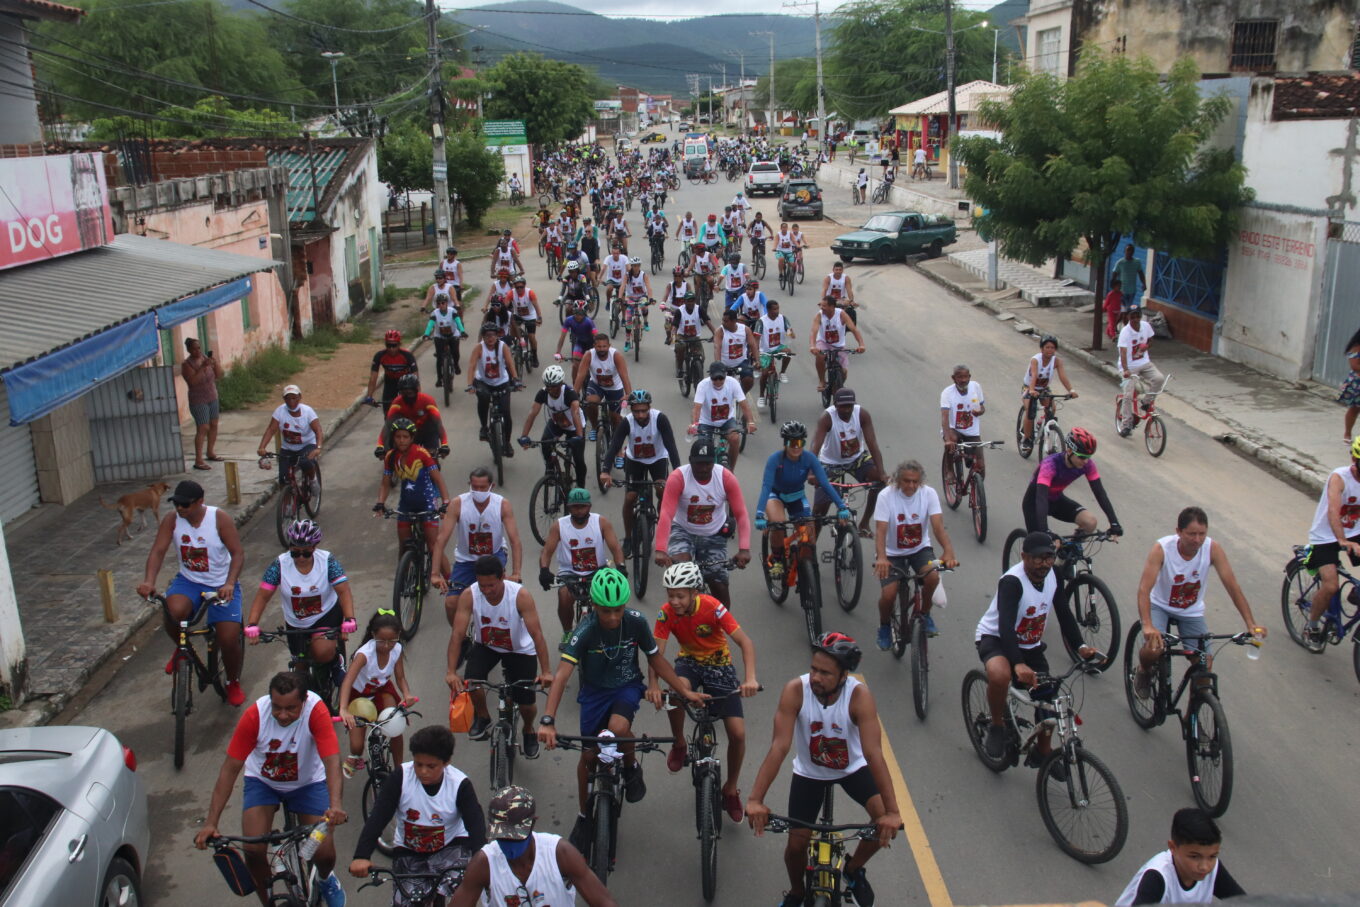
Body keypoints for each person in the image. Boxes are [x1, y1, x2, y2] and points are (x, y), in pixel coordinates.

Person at [536, 568, 706, 852]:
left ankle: (630, 766)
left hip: (626, 687)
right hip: (594, 693)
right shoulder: (585, 630)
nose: (613, 617)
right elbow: (563, 675)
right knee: (589, 757)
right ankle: (583, 815)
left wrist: (684, 690)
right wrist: (547, 719)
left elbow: (656, 659)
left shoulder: (636, 621)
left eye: (618, 610)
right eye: (606, 611)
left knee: (617, 728)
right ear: (594, 606)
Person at [746, 633, 902, 907]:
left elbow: (873, 754)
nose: (815, 677)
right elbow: (779, 747)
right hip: (809, 773)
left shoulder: (859, 696)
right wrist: (755, 799)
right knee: (796, 847)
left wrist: (892, 812)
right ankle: (797, 892)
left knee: (883, 824)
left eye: (825, 673)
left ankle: (853, 869)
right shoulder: (795, 690)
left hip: (851, 770)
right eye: (813, 669)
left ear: (844, 676)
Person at [193, 671, 348, 907]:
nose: (282, 715)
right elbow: (229, 769)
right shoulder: (255, 715)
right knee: (253, 849)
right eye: (277, 707)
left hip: (307, 784)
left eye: (291, 708)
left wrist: (335, 806)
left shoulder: (316, 710)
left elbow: (332, 761)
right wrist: (211, 823)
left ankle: (326, 879)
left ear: (304, 701)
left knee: (324, 853)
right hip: (264, 783)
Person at [975, 532, 1103, 762]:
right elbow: (1005, 627)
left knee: (1049, 698)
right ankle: (997, 725)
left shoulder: (1054, 575)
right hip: (997, 638)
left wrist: (1081, 646)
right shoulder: (1012, 582)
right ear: (1024, 556)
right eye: (1038, 558)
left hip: (1029, 644)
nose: (1044, 563)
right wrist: (1018, 664)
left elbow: (1064, 612)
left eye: (1049, 557)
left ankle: (1043, 752)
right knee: (1000, 675)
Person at [649, 561, 759, 821]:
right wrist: (653, 685)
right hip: (689, 663)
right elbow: (656, 654)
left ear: (695, 592)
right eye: (670, 595)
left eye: (680, 596)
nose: (674, 601)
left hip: (719, 666)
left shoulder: (713, 607)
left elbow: (745, 642)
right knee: (675, 692)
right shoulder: (666, 614)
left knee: (738, 734)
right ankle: (679, 742)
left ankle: (730, 789)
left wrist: (750, 679)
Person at [1132, 506, 1266, 697]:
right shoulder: (1162, 549)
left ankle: (1195, 711)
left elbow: (1233, 587)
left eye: (1202, 534)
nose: (1197, 540)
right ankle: (1144, 670)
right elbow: (1144, 590)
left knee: (1204, 665)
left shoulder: (1212, 549)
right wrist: (1147, 625)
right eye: (1191, 534)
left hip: (1191, 612)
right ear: (1178, 532)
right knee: (1154, 648)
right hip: (1160, 606)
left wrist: (1251, 623)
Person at [350, 725, 485, 907]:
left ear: (446, 762)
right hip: (410, 850)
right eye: (418, 764)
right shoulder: (400, 778)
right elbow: (379, 816)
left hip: (451, 846)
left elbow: (475, 824)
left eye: (431, 766)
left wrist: (481, 858)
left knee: (465, 896)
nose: (423, 771)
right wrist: (361, 855)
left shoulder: (459, 784)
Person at [138, 479, 246, 706]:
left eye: (185, 504)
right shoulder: (172, 520)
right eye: (176, 503)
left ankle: (232, 681)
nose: (180, 508)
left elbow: (237, 553)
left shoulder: (219, 518)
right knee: (171, 612)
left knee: (228, 638)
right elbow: (158, 551)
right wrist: (149, 581)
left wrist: (229, 583)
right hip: (189, 582)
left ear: (200, 502)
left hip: (221, 583)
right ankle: (182, 648)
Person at [447, 555, 555, 754]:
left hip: (519, 650)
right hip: (487, 646)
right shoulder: (469, 595)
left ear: (503, 577)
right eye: (482, 585)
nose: (487, 591)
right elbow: (457, 634)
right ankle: (483, 716)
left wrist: (546, 671)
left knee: (526, 703)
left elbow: (537, 635)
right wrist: (451, 671)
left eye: (491, 585)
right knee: (472, 682)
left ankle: (528, 729)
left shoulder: (520, 596)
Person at [450, 785, 618, 907]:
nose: (508, 842)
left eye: (515, 836)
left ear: (532, 824)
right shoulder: (483, 864)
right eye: (502, 836)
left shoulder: (560, 854)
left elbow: (604, 902)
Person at [244, 518, 355, 686]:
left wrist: (349, 618)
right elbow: (262, 596)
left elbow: (343, 591)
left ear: (314, 547)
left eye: (306, 553)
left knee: (321, 652)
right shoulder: (279, 564)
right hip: (296, 622)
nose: (300, 557)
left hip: (325, 615)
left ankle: (335, 662)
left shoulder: (327, 561)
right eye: (295, 553)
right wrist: (252, 624)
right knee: (299, 671)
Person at [654, 438, 753, 609]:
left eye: (708, 463)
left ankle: (720, 623)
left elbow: (741, 514)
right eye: (698, 464)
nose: (703, 468)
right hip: (683, 530)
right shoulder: (678, 477)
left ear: (714, 462)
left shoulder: (726, 478)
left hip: (714, 534)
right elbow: (666, 514)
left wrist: (744, 549)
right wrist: (661, 550)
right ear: (690, 461)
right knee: (681, 575)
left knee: (719, 586)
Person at [871, 460, 959, 646]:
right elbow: (880, 531)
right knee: (889, 594)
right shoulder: (886, 496)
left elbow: (938, 527)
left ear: (921, 481)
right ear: (897, 480)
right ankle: (885, 626)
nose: (911, 485)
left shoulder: (929, 494)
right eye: (906, 481)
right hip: (891, 554)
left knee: (932, 578)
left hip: (920, 550)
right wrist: (882, 558)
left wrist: (948, 551)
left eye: (915, 482)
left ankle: (925, 614)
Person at [756, 420, 852, 573]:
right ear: (785, 443)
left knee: (808, 536)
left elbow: (825, 484)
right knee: (778, 523)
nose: (796, 447)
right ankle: (778, 559)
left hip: (797, 496)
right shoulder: (774, 459)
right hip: (776, 495)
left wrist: (841, 506)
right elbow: (766, 487)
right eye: (792, 442)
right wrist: (760, 514)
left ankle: (804, 566)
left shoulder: (809, 458)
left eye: (800, 442)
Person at [600, 389, 682, 549]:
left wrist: (679, 472)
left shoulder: (660, 419)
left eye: (644, 411)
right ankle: (628, 537)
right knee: (630, 498)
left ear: (650, 407)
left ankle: (664, 526)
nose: (641, 415)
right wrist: (605, 470)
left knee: (661, 490)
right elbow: (615, 445)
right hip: (634, 460)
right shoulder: (627, 422)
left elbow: (671, 446)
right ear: (631, 409)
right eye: (636, 411)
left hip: (657, 459)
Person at [538, 487, 626, 635]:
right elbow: (546, 551)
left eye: (583, 506)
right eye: (575, 507)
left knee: (611, 595)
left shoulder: (601, 522)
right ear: (569, 507)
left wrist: (621, 567)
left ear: (589, 506)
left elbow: (616, 548)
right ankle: (567, 633)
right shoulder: (559, 526)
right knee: (564, 596)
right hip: (569, 572)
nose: (579, 511)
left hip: (597, 571)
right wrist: (544, 570)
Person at [1115, 807, 1246, 905]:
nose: (1205, 867)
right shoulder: (1156, 878)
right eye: (1194, 857)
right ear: (1173, 847)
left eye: (1212, 856)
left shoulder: (1213, 869)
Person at [337, 610, 413, 777]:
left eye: (391, 641)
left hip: (382, 691)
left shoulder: (397, 649)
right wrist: (343, 709)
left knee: (395, 724)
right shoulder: (364, 655)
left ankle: (399, 771)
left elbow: (400, 677)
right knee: (357, 746)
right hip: (358, 696)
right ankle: (356, 756)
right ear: (373, 635)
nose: (386, 646)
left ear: (398, 636)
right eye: (381, 641)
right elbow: (347, 682)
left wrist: (407, 694)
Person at [1301, 437, 1360, 650]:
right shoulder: (1339, 477)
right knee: (1331, 585)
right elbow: (1333, 511)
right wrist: (1342, 540)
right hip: (1325, 536)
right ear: (1354, 459)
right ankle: (1312, 626)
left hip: (1355, 532)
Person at [811, 388, 886, 538]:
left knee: (878, 481)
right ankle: (810, 544)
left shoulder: (862, 414)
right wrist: (811, 473)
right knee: (820, 509)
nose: (846, 410)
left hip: (856, 459)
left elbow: (872, 444)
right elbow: (815, 446)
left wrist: (882, 473)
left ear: (854, 404)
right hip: (830, 463)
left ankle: (864, 524)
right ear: (835, 405)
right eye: (842, 406)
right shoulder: (827, 418)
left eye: (849, 406)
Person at [1023, 427, 1123, 536]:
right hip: (1035, 504)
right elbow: (1041, 497)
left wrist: (1114, 523)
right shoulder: (1050, 464)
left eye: (1088, 457)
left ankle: (1073, 545)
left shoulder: (1087, 465)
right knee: (1041, 543)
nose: (1086, 461)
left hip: (1056, 501)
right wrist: (1045, 531)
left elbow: (1100, 493)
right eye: (1082, 457)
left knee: (1090, 523)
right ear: (1069, 450)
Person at [374, 418, 452, 557]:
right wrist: (380, 503)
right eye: (398, 437)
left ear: (412, 438)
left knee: (434, 548)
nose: (401, 440)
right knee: (403, 548)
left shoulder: (422, 453)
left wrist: (446, 502)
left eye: (405, 437)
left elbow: (438, 479)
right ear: (393, 438)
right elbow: (385, 483)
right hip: (406, 505)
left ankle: (448, 572)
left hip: (427, 504)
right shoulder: (390, 456)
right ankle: (404, 570)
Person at [518, 364, 588, 488]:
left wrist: (579, 436)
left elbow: (575, 413)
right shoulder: (543, 393)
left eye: (554, 386)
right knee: (545, 442)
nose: (550, 389)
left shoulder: (569, 394)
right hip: (557, 424)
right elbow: (532, 414)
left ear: (561, 384)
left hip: (574, 426)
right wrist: (524, 436)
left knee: (579, 460)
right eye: (548, 386)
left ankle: (581, 487)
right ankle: (550, 468)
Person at [690, 360, 757, 471]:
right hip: (706, 422)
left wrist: (750, 422)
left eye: (721, 378)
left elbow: (744, 405)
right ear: (710, 376)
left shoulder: (733, 383)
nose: (718, 381)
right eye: (714, 378)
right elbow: (697, 408)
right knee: (703, 449)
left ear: (726, 375)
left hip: (726, 421)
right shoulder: (702, 385)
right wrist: (694, 425)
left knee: (735, 438)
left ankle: (731, 472)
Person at [1019, 335, 1078, 456]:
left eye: (1052, 348)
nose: (1050, 350)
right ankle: (1026, 439)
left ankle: (1041, 423)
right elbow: (1034, 375)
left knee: (1052, 409)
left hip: (1044, 389)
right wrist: (1031, 390)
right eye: (1047, 347)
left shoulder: (1057, 361)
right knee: (1030, 410)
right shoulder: (1036, 360)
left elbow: (1063, 377)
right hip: (1029, 387)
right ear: (1041, 349)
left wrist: (1071, 390)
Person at [466, 323, 521, 450]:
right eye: (487, 336)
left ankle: (507, 442)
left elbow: (510, 363)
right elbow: (472, 366)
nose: (490, 338)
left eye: (493, 335)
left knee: (506, 412)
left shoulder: (503, 346)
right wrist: (470, 385)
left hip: (502, 382)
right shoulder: (479, 348)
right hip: (483, 382)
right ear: (483, 337)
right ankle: (484, 428)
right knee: (483, 398)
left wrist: (515, 379)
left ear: (497, 336)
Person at [258, 384, 324, 489]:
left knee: (306, 462)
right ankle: (287, 498)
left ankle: (313, 480)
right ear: (284, 399)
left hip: (307, 445)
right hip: (288, 448)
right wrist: (262, 447)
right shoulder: (279, 411)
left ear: (300, 397)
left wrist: (318, 448)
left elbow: (318, 430)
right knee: (283, 479)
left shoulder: (307, 411)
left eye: (294, 398)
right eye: (288, 398)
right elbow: (271, 430)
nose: (291, 401)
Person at [573, 331, 632, 442]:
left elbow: (624, 376)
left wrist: (629, 395)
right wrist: (574, 394)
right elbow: (581, 375)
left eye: (604, 346)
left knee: (616, 420)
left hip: (615, 388)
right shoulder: (589, 355)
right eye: (599, 346)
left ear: (609, 346)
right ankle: (594, 427)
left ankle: (616, 443)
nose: (602, 349)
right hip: (596, 385)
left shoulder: (616, 356)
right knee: (590, 402)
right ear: (594, 346)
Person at [1117, 305, 1166, 436]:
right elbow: (1123, 352)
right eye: (1132, 316)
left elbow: (1151, 340)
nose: (1135, 319)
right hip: (1129, 367)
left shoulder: (1146, 326)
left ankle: (1146, 402)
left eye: (1137, 316)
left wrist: (1146, 346)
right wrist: (1126, 370)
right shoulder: (1125, 332)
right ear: (1128, 317)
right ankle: (1126, 425)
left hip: (1144, 363)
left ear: (1140, 316)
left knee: (1159, 379)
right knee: (1128, 395)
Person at [376, 374, 446, 459]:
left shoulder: (428, 401)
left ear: (416, 391)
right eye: (403, 394)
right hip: (409, 434)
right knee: (396, 455)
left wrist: (444, 444)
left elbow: (438, 424)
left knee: (431, 456)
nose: (407, 396)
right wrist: (380, 446)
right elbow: (387, 426)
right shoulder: (396, 403)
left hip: (428, 432)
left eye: (410, 393)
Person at [810, 296, 866, 393]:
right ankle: (822, 381)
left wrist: (861, 345)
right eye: (821, 305)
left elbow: (854, 330)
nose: (821, 308)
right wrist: (813, 346)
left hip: (839, 345)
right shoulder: (819, 315)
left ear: (832, 307)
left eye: (824, 306)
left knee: (844, 372)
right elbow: (813, 332)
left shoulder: (841, 314)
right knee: (820, 356)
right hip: (823, 342)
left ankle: (837, 386)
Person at [940, 364, 987, 477]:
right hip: (954, 429)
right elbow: (945, 417)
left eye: (966, 377)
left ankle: (976, 485)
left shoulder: (976, 387)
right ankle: (949, 469)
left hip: (972, 432)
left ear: (969, 376)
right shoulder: (947, 393)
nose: (963, 380)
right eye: (960, 377)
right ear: (953, 378)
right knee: (952, 442)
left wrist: (980, 411)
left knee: (980, 466)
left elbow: (982, 407)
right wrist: (947, 439)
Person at [182, 337, 221, 470]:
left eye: (198, 348)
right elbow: (193, 382)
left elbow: (218, 375)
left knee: (214, 424)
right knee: (203, 427)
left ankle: (210, 452)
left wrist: (215, 363)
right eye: (194, 349)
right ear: (188, 350)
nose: (197, 351)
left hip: (212, 396)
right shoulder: (187, 365)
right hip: (198, 400)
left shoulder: (205, 358)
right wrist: (203, 367)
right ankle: (198, 460)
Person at [367, 330, 419, 412]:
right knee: (388, 412)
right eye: (388, 345)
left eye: (394, 345)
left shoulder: (407, 355)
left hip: (406, 382)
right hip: (390, 382)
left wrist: (418, 395)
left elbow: (415, 377)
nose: (391, 348)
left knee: (411, 408)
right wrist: (369, 397)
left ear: (399, 344)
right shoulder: (379, 356)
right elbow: (373, 378)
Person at [423, 288, 466, 383]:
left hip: (453, 334)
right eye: (439, 303)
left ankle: (456, 365)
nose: (441, 305)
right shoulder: (435, 313)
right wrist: (426, 334)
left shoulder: (452, 311)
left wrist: (462, 331)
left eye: (443, 303)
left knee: (455, 352)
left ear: (447, 303)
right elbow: (430, 324)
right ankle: (439, 378)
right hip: (440, 336)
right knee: (439, 357)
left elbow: (458, 321)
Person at [714, 308, 758, 396]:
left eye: (726, 321)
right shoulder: (720, 331)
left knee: (749, 380)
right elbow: (717, 347)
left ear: (734, 321)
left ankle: (741, 396)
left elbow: (753, 345)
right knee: (718, 386)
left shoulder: (745, 330)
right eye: (723, 320)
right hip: (724, 364)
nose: (723, 323)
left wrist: (757, 360)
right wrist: (718, 364)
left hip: (741, 362)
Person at [756, 298, 795, 396]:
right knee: (765, 374)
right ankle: (761, 396)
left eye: (778, 308)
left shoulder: (782, 318)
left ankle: (782, 373)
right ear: (768, 310)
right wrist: (756, 352)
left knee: (788, 352)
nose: (777, 311)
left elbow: (789, 331)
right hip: (765, 351)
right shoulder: (761, 321)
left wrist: (791, 333)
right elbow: (756, 338)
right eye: (774, 309)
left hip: (778, 348)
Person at [505, 275, 543, 368]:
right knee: (512, 329)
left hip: (530, 316)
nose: (519, 289)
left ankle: (534, 355)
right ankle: (515, 344)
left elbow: (536, 306)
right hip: (518, 316)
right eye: (517, 287)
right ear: (514, 287)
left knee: (531, 336)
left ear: (524, 286)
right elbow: (505, 305)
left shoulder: (530, 293)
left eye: (521, 287)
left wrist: (539, 318)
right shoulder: (511, 293)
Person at [554, 298, 598, 366]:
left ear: (585, 313)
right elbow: (562, 337)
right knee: (575, 363)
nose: (579, 316)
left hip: (591, 344)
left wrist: (599, 349)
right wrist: (558, 352)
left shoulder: (589, 322)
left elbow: (596, 337)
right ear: (573, 311)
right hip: (580, 343)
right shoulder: (568, 320)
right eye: (576, 313)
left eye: (581, 314)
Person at [1336, 328, 1360, 442]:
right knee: (1354, 409)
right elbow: (1354, 366)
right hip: (1357, 382)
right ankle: (1347, 433)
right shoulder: (1356, 347)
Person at [1112, 243, 1146, 311]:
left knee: (1127, 308)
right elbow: (1114, 274)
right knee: (1125, 309)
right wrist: (1114, 287)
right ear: (1124, 251)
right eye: (1128, 250)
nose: (1129, 252)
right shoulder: (1120, 263)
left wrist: (1144, 284)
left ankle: (1125, 316)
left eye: (1131, 250)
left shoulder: (1137, 262)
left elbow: (1141, 274)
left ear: (1133, 252)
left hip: (1132, 291)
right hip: (1122, 291)